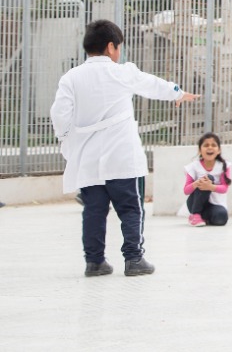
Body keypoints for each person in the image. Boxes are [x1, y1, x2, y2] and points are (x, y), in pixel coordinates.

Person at [50, 19, 198, 277]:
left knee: (93, 211)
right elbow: (152, 84)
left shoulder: (71, 78)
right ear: (111, 47)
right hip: (122, 158)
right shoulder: (122, 73)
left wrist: (68, 141)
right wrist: (177, 93)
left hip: (88, 160)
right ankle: (134, 259)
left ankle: (95, 262)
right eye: (119, 47)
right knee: (131, 208)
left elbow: (59, 114)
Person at [180, 132, 231, 227]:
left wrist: (211, 187)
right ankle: (195, 215)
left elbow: (225, 188)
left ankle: (203, 218)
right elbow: (186, 190)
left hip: (215, 204)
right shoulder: (193, 167)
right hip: (194, 204)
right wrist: (197, 183)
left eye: (213, 145)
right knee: (208, 178)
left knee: (221, 217)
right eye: (206, 145)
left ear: (219, 150)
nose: (210, 147)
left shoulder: (224, 166)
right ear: (200, 150)